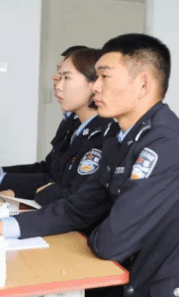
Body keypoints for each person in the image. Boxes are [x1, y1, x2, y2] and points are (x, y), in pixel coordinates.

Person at [0, 34, 179, 297]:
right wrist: (6, 227)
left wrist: (97, 229)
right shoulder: (119, 137)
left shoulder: (166, 144)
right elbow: (79, 207)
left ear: (143, 84)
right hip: (139, 286)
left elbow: (111, 241)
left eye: (105, 76)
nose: (95, 87)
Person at [0, 48, 116, 206]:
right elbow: (56, 178)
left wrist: (43, 192)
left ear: (95, 84)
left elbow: (76, 199)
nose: (58, 86)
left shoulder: (103, 135)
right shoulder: (79, 127)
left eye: (66, 77)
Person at [0, 45, 88, 195]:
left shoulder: (95, 128)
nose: (55, 78)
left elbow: (62, 185)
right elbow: (49, 168)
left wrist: (6, 182)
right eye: (59, 73)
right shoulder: (70, 120)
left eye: (65, 76)